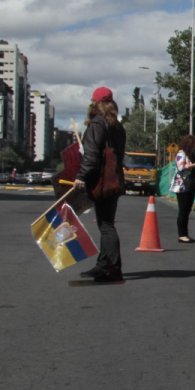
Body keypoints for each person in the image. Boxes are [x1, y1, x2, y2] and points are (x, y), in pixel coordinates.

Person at [75, 86, 128, 283]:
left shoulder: (97, 124)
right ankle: (104, 264)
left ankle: (111, 268)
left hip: (102, 180)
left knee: (106, 225)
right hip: (114, 179)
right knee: (107, 223)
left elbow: (91, 156)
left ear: (96, 103)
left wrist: (81, 176)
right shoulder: (117, 126)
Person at [172, 134, 195, 243]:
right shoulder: (181, 153)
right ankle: (181, 235)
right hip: (182, 186)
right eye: (194, 145)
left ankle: (185, 234)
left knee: (187, 210)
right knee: (183, 210)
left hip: (190, 185)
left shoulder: (191, 155)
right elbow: (181, 167)